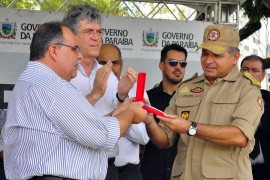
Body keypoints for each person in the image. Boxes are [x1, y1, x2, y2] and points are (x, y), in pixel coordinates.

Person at [3, 21, 147, 180]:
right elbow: (101, 136)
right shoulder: (51, 85)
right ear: (54, 51)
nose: (79, 55)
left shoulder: (36, 80)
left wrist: (122, 108)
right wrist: (130, 113)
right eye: (74, 49)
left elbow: (85, 126)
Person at [144, 24, 264, 180]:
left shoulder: (247, 90)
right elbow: (164, 140)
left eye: (217, 55)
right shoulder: (186, 88)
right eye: (205, 53)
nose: (208, 60)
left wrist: (190, 127)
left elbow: (239, 137)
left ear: (235, 57)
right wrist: (149, 121)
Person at [63, 5, 137, 180]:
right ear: (72, 36)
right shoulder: (63, 72)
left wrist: (121, 96)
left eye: (99, 31)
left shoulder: (108, 74)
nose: (96, 38)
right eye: (89, 31)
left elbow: (115, 120)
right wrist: (95, 93)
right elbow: (66, 120)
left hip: (107, 164)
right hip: (73, 166)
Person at [97, 43, 149, 180]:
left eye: (115, 63)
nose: (110, 68)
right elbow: (93, 133)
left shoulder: (136, 90)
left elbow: (143, 138)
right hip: (97, 169)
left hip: (129, 172)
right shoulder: (92, 90)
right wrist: (126, 116)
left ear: (122, 64)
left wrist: (123, 102)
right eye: (102, 63)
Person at [140, 44, 188, 180]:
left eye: (183, 64)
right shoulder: (147, 98)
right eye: (173, 63)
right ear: (161, 65)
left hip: (183, 173)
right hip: (151, 173)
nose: (178, 67)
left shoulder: (193, 101)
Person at [240, 55, 270, 180]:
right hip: (238, 168)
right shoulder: (227, 100)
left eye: (255, 70)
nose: (249, 74)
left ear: (263, 75)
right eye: (245, 69)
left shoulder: (268, 98)